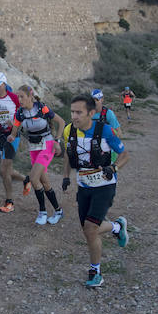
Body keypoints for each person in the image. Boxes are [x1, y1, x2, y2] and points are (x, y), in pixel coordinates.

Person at [61, 95, 129, 287]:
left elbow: (125, 155)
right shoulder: (69, 131)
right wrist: (66, 176)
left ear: (91, 113)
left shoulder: (106, 131)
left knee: (91, 229)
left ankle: (95, 272)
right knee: (88, 229)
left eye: (78, 112)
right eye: (72, 111)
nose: (74, 116)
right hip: (84, 186)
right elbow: (68, 153)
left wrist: (113, 168)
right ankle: (116, 227)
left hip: (104, 186)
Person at [8, 85, 66, 225]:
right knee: (44, 182)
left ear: (30, 96)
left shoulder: (41, 108)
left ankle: (42, 211)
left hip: (47, 144)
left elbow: (61, 122)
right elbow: (14, 131)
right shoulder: (19, 113)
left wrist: (57, 141)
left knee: (34, 178)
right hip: (33, 147)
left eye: (22, 96)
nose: (19, 99)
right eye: (18, 97)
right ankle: (58, 211)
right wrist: (10, 136)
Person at [0, 72, 27, 213]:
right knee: (7, 170)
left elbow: (22, 114)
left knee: (3, 169)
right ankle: (26, 179)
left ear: (4, 84)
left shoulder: (14, 98)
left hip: (12, 136)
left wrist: (14, 125)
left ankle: (9, 202)